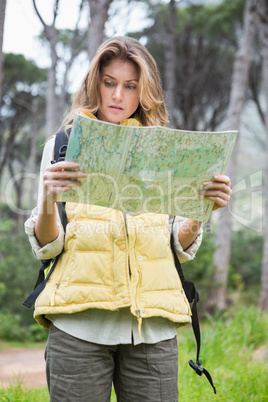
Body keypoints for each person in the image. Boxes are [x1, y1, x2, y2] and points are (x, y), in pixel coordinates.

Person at [25, 36, 232, 402]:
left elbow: (175, 246)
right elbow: (48, 246)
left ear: (143, 92)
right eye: (110, 83)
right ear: (96, 84)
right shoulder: (61, 144)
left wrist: (201, 212)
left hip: (153, 330)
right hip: (78, 327)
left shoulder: (166, 150)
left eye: (130, 86)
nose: (118, 95)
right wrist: (47, 197)